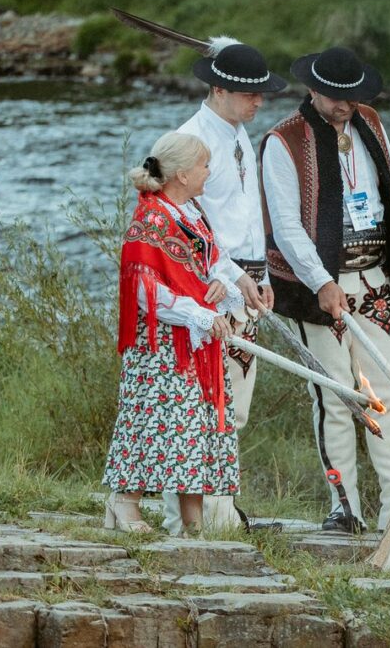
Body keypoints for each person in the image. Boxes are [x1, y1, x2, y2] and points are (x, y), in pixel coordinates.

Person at [260, 46, 390, 533]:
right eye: (335, 96)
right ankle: (344, 507)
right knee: (335, 395)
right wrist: (323, 282)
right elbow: (286, 226)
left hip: (377, 279)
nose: (344, 105)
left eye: (352, 96)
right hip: (317, 284)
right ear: (313, 89)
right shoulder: (282, 141)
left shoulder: (369, 121)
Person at [159, 40, 286, 534]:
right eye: (249, 94)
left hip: (247, 282)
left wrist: (265, 276)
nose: (259, 103)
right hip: (207, 289)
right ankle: (192, 518)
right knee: (202, 404)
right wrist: (219, 279)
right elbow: (178, 221)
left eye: (261, 94)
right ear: (218, 88)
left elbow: (248, 216)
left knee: (234, 407)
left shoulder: (238, 136)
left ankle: (220, 510)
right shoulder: (187, 142)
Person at [102, 132, 256, 535]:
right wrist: (197, 313)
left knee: (196, 424)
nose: (209, 172)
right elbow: (143, 288)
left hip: (196, 341)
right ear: (183, 174)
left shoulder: (192, 212)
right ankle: (125, 503)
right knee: (151, 418)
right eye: (204, 165)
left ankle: (193, 523)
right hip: (161, 343)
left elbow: (212, 260)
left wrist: (219, 290)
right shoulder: (151, 218)